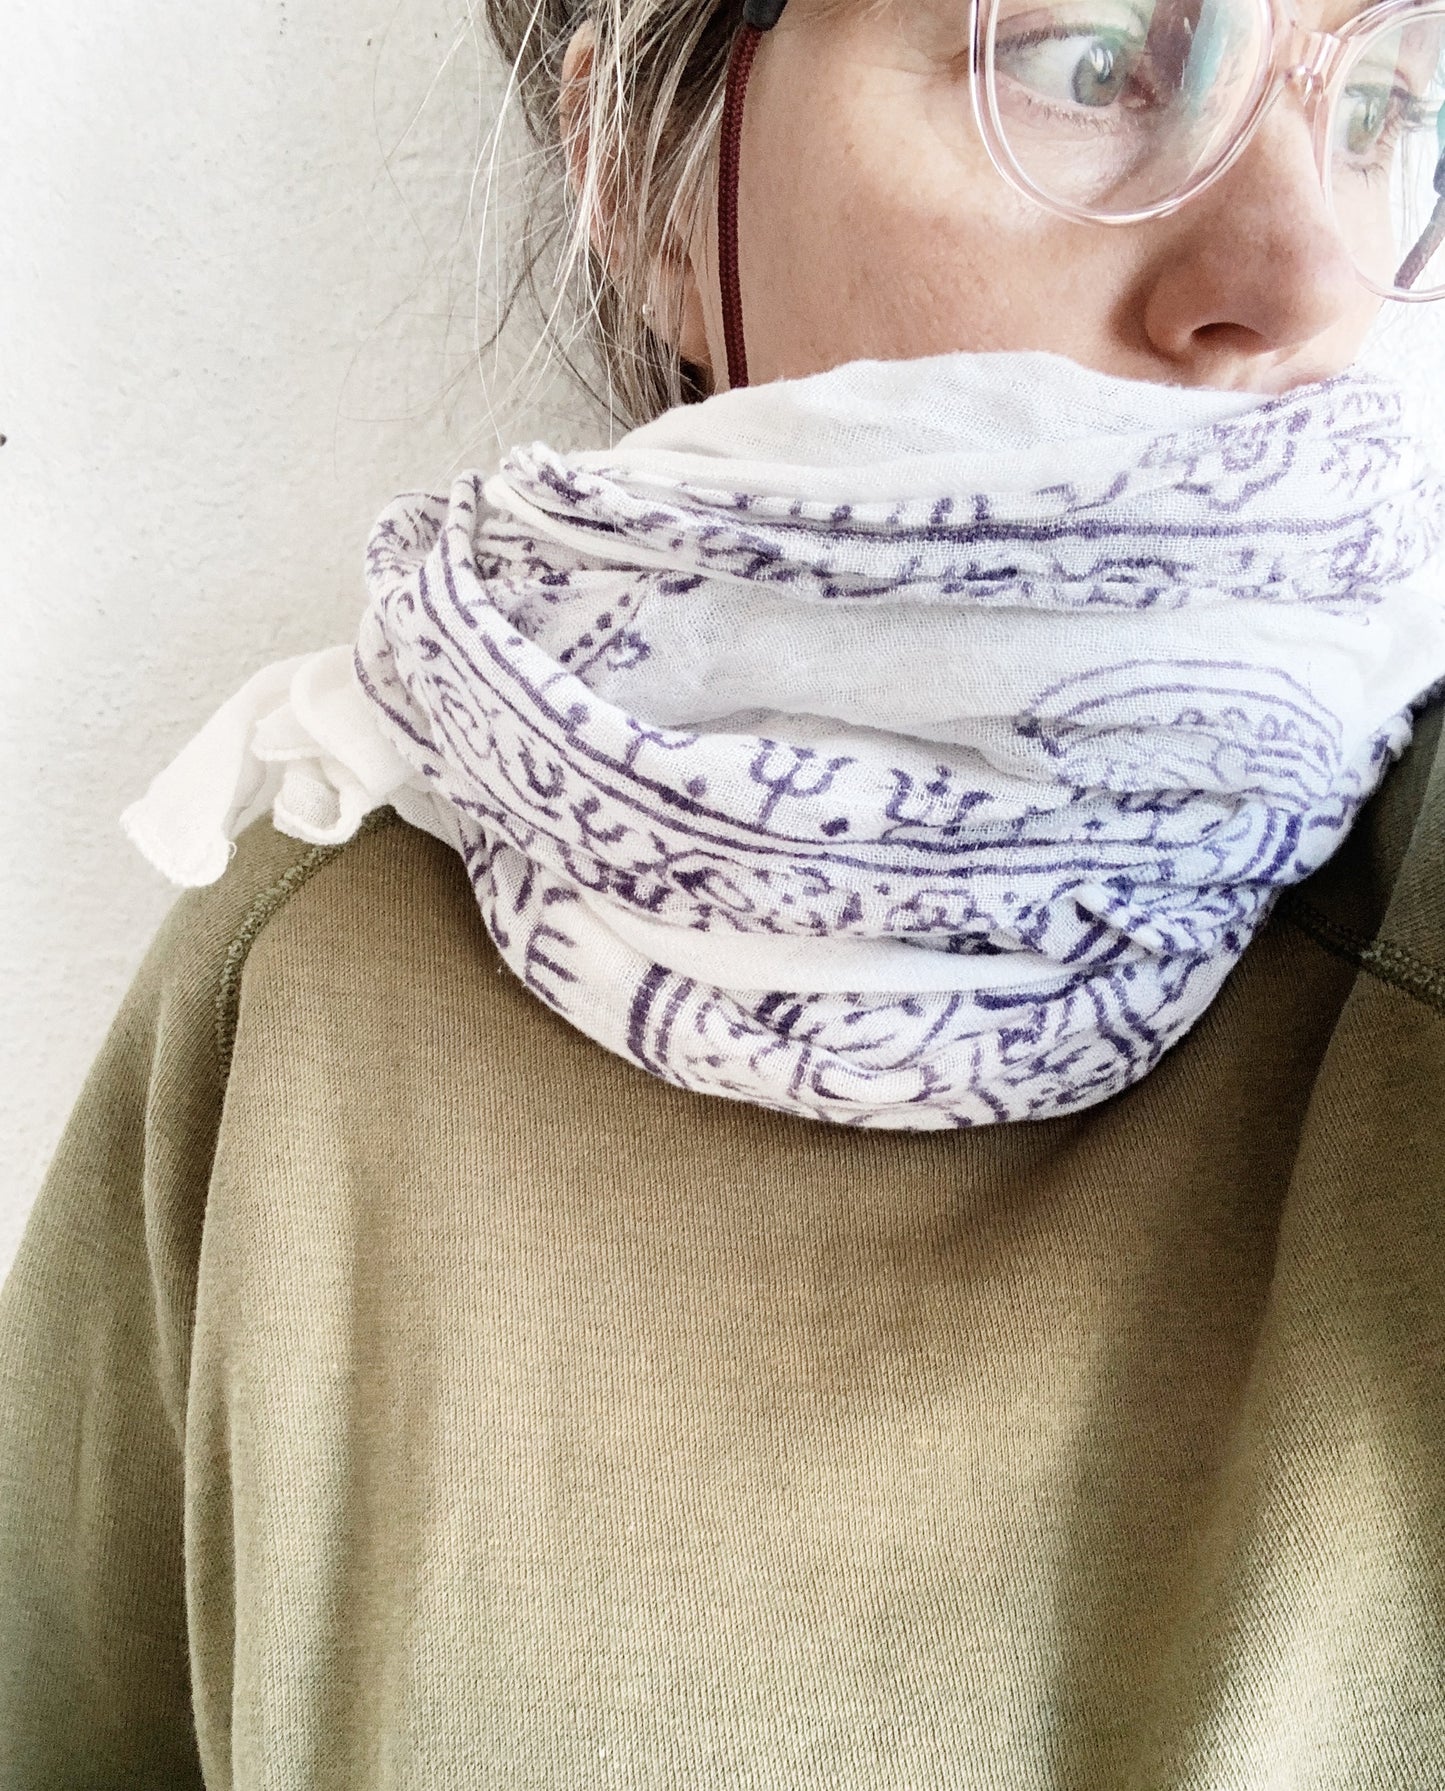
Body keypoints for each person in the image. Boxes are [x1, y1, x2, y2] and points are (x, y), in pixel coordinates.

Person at [3, 0, 1444, 1782]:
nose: (1303, 279)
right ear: (644, 192)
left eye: (1383, 106)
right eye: (1087, 60)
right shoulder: (303, 999)